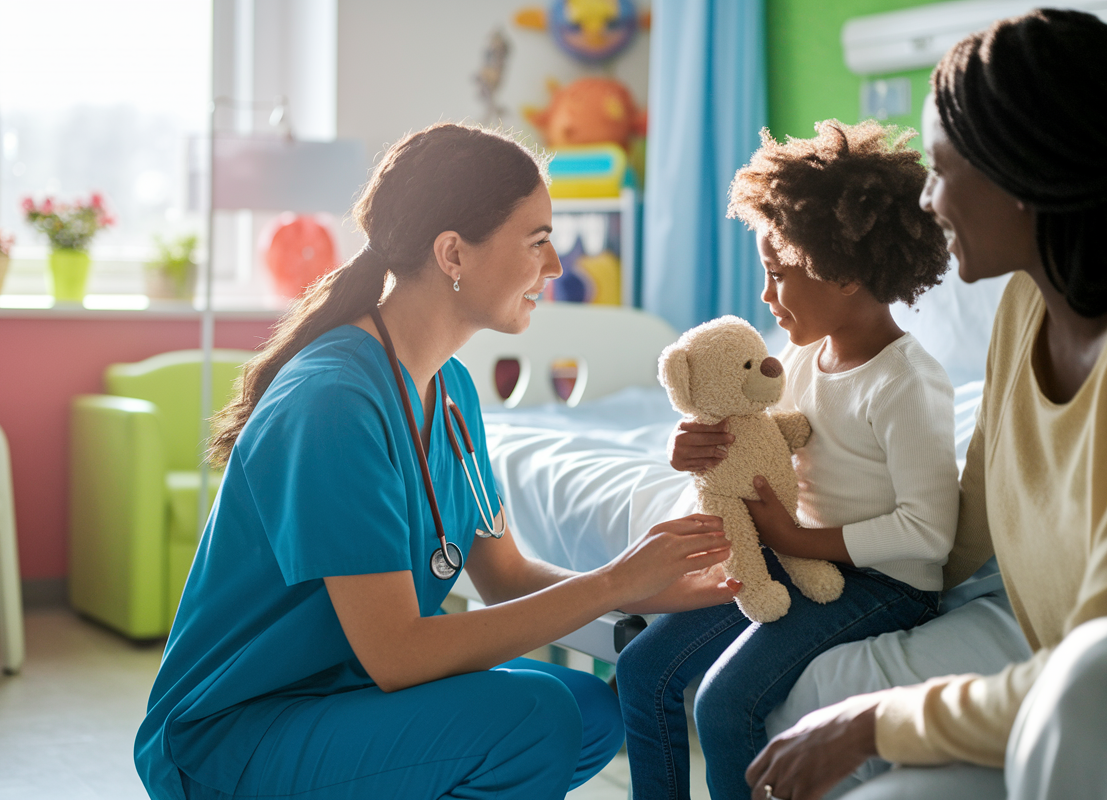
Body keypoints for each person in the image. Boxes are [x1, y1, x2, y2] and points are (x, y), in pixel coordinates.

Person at [133, 123, 740, 800]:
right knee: (533, 720)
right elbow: (398, 656)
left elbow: (505, 575)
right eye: (538, 241)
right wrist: (612, 583)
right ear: (453, 252)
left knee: (588, 708)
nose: (557, 268)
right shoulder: (334, 403)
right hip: (233, 738)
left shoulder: (450, 391)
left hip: (344, 699)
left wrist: (652, 588)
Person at [747, 10, 1107, 800]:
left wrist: (874, 720)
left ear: (1023, 172)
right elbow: (962, 525)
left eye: (941, 170)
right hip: (1078, 711)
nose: (928, 202)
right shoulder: (1027, 309)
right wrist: (821, 563)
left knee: (1102, 673)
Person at [615, 120, 957, 800]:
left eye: (779, 276)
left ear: (848, 272)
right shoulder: (802, 353)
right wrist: (692, 444)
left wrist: (793, 537)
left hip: (882, 583)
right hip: (793, 558)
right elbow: (753, 435)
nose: (767, 297)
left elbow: (929, 534)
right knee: (642, 672)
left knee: (723, 704)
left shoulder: (905, 384)